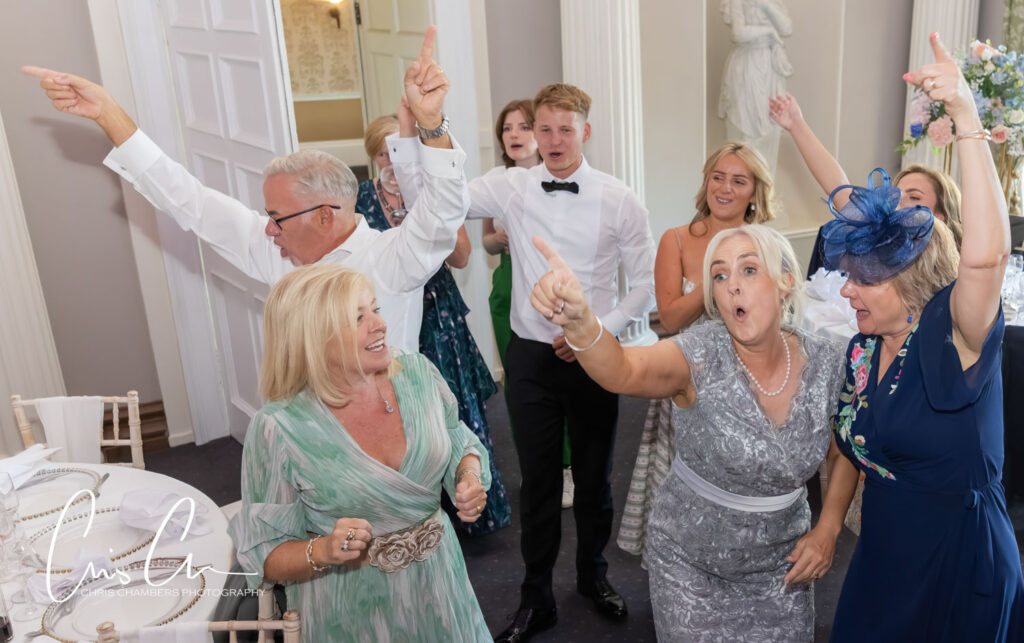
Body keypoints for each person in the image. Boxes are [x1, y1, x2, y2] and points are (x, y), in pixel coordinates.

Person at [22, 27, 465, 355]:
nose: (268, 230)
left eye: (277, 218)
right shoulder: (277, 252)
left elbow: (443, 214)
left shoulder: (392, 259)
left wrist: (430, 123)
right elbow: (190, 199)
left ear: (324, 215)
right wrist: (108, 113)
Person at [528, 225, 854, 642]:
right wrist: (580, 322)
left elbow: (842, 451)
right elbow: (623, 369)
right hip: (692, 565)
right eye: (719, 275)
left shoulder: (827, 361)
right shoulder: (699, 354)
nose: (732, 285)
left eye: (749, 269)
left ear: (785, 281)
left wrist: (828, 528)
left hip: (783, 567)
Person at [824, 33, 1023, 641]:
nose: (846, 292)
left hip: (957, 558)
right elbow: (850, 451)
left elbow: (985, 260)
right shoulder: (863, 350)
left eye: (865, 280)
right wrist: (829, 526)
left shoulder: (951, 339)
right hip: (885, 547)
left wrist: (964, 116)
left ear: (911, 284)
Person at [458, 83, 657, 640]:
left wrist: (597, 331)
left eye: (564, 129)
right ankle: (535, 596)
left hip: (594, 356)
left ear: (584, 131)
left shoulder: (619, 198)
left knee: (594, 480)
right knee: (539, 481)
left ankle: (594, 577)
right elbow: (449, 200)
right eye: (543, 129)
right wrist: (424, 135)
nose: (553, 140)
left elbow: (644, 287)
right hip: (529, 358)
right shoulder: (511, 186)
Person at [228, 264, 492, 642]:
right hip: (350, 612)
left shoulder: (416, 374)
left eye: (375, 310)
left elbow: (458, 441)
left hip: (441, 591)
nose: (379, 325)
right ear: (313, 338)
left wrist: (467, 477)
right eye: (358, 318)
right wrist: (324, 550)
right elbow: (266, 555)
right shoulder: (280, 427)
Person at [617, 141, 776, 561]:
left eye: (738, 181)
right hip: (690, 376)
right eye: (717, 177)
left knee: (740, 483)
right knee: (687, 483)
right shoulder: (676, 240)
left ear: (754, 191)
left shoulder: (766, 244)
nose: (725, 188)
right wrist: (717, 276)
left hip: (748, 380)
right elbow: (670, 319)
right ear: (706, 182)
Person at [355, 114, 509, 536]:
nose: (392, 160)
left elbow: (462, 257)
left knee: (450, 409)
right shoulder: (361, 199)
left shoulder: (432, 193)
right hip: (386, 318)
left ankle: (470, 504)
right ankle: (409, 510)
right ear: (374, 158)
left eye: (398, 150)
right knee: (398, 413)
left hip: (436, 313)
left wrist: (422, 224)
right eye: (383, 154)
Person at [481, 100, 576, 510]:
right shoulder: (495, 181)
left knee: (561, 378)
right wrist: (500, 239)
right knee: (519, 382)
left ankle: (568, 465)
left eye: (523, 126)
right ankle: (536, 465)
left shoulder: (560, 179)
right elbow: (486, 242)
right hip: (508, 285)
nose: (515, 135)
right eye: (507, 128)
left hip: (552, 286)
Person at [768, 92, 964, 276]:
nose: (898, 201)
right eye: (896, 193)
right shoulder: (880, 242)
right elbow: (838, 186)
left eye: (914, 197)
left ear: (941, 217)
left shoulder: (953, 272)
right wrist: (796, 124)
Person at [719, 0, 792, 173]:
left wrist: (765, 4)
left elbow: (786, 28)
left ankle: (765, 186)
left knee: (770, 129)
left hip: (769, 69)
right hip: (746, 67)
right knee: (743, 129)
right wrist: (769, 31)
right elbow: (738, 33)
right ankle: (740, 180)